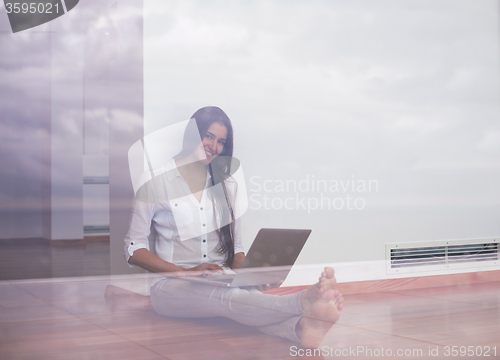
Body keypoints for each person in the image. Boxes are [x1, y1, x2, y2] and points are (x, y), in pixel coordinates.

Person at [124, 106, 343, 348]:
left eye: (221, 141)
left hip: (220, 279)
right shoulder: (155, 180)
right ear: (192, 135)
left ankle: (301, 328)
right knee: (229, 298)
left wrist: (254, 273)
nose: (213, 146)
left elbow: (236, 250)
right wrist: (185, 272)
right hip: (172, 287)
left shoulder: (227, 187)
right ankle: (303, 302)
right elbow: (134, 249)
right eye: (208, 136)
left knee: (244, 297)